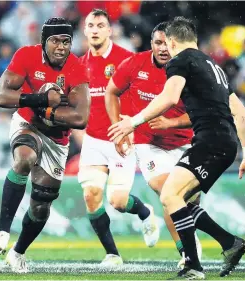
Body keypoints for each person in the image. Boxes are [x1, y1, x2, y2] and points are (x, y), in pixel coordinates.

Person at [108, 17, 245, 279]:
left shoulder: (180, 61)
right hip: (224, 144)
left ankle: (192, 265)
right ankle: (228, 244)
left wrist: (132, 122)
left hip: (208, 142)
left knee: (169, 197)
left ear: (173, 41)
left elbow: (168, 98)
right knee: (175, 196)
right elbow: (242, 112)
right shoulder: (215, 67)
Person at [0, 17, 90, 273]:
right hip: (27, 125)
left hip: (57, 140)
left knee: (41, 206)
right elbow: (0, 96)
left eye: (66, 41)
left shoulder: (77, 68)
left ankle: (18, 252)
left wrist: (50, 114)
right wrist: (41, 98)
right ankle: (2, 232)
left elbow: (80, 118)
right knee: (24, 158)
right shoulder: (26, 55)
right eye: (55, 40)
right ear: (44, 42)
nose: (61, 47)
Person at [105, 21, 202, 268]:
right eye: (157, 43)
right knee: (168, 191)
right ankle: (186, 251)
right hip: (149, 144)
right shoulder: (134, 64)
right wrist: (119, 127)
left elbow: (203, 112)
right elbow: (111, 92)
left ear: (174, 44)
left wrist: (171, 123)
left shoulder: (190, 69)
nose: (162, 48)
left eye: (166, 43)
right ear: (151, 44)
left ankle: (192, 237)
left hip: (186, 142)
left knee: (189, 201)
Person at [78, 9, 159, 266]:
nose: (94, 29)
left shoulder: (127, 60)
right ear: (84, 30)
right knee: (91, 195)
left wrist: (133, 128)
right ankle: (112, 254)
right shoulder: (79, 66)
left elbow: (144, 95)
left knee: (118, 202)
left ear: (109, 30)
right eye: (90, 25)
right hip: (93, 140)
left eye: (100, 25)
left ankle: (146, 213)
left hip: (121, 140)